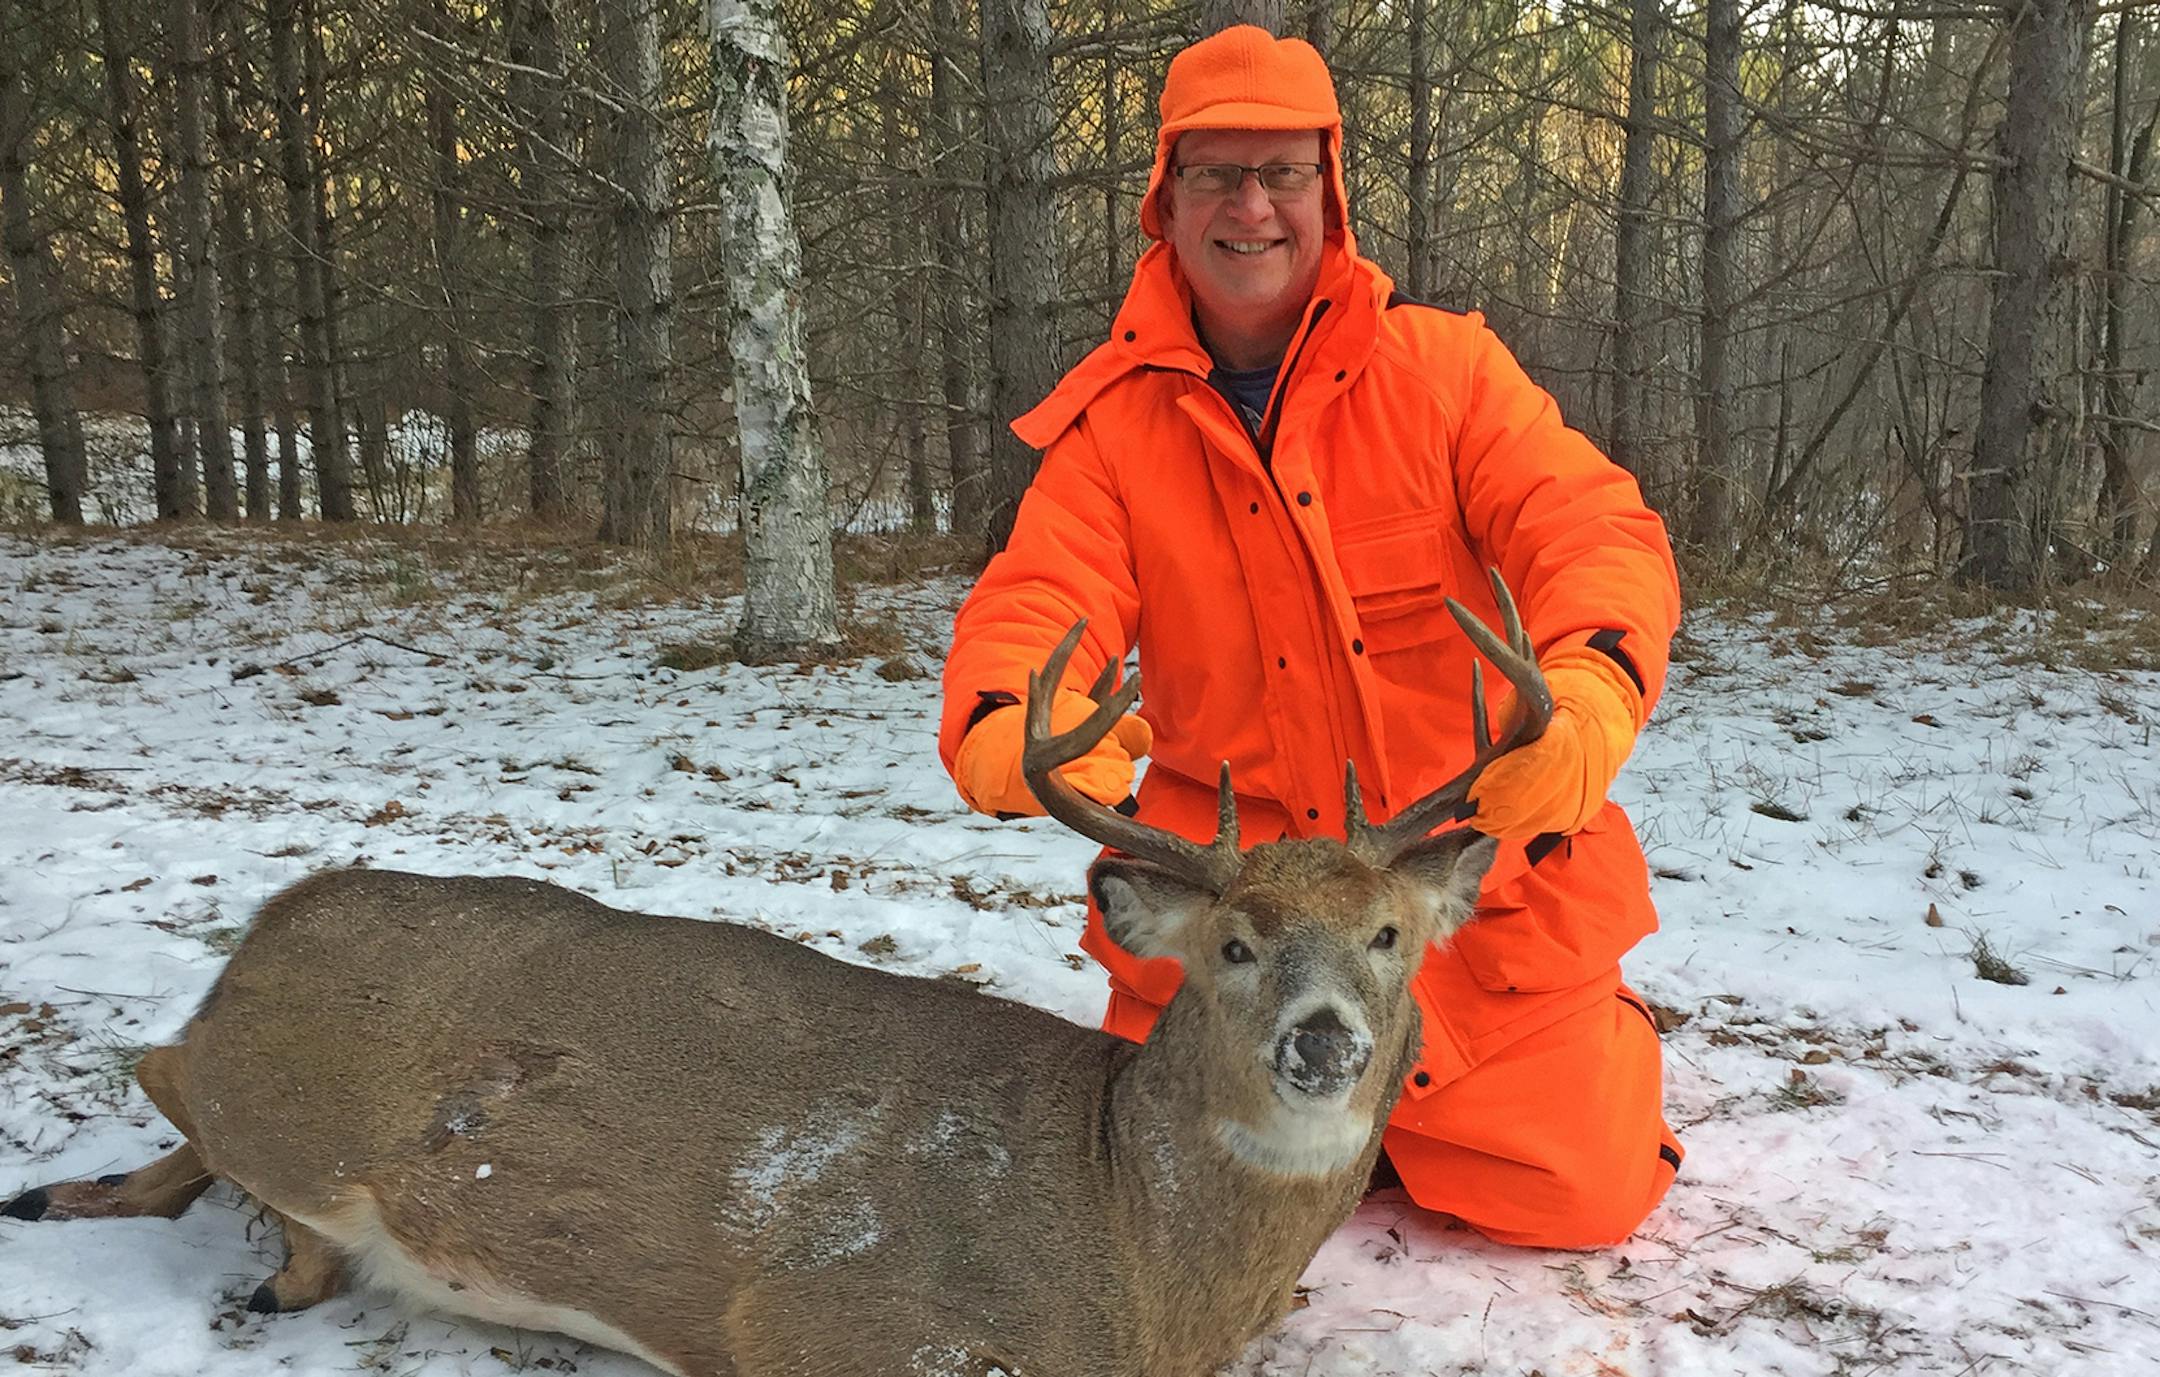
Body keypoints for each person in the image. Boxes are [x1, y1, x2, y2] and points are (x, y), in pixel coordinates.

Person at [936, 24, 1683, 1250]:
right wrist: (1008, 717)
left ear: (1328, 194)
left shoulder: (1446, 373)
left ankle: (1584, 1041)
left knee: (1579, 1196)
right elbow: (1040, 597)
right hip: (1241, 915)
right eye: (1215, 174)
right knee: (1179, 1197)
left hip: (1442, 888)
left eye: (1283, 173)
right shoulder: (1115, 429)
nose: (1251, 207)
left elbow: (1591, 527)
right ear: (1163, 203)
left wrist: (1592, 690)